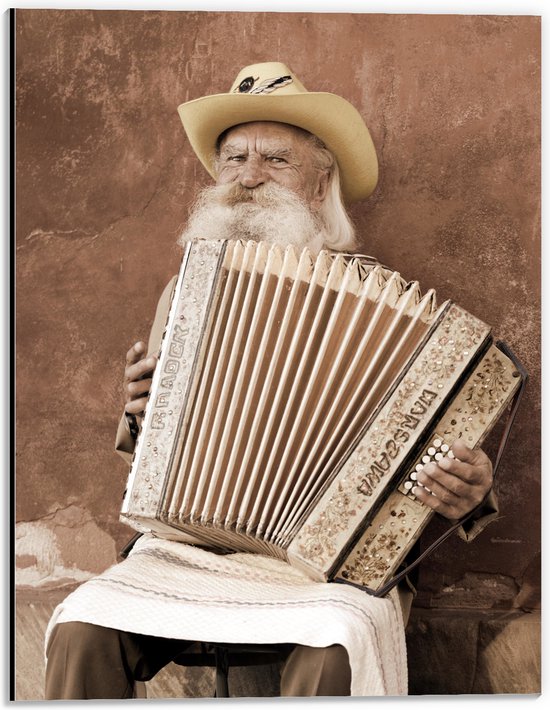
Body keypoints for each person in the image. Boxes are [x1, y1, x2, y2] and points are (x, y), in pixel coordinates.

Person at [44, 62, 496, 700]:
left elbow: (442, 462)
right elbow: (153, 446)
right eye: (233, 158)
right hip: (189, 548)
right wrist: (143, 409)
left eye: (276, 160)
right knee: (82, 628)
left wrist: (469, 491)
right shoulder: (186, 291)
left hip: (325, 568)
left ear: (320, 184)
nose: (248, 177)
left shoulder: (387, 309)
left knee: (336, 640)